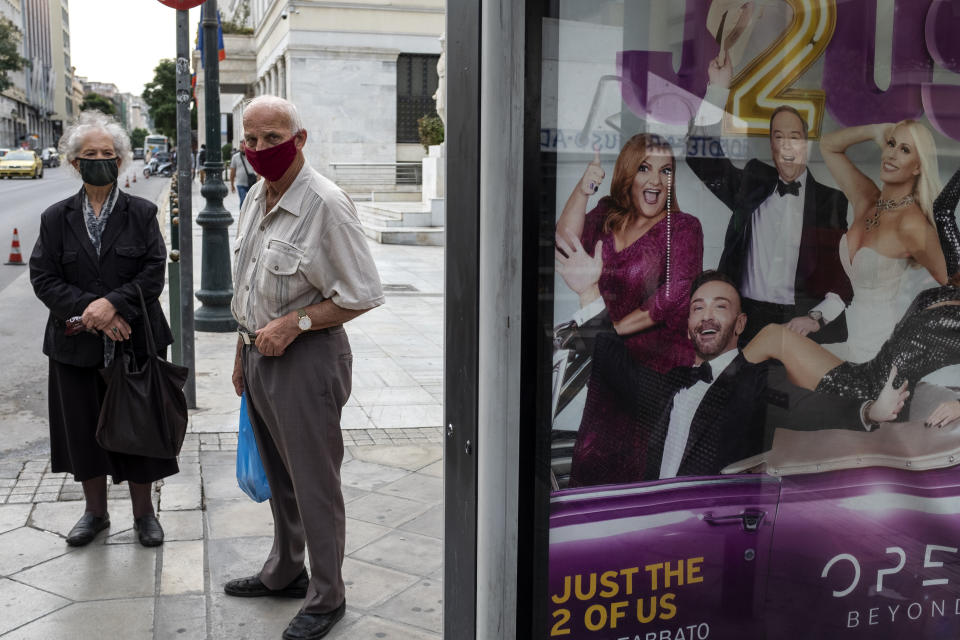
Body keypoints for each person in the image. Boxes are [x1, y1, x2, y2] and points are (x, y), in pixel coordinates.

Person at [224, 95, 384, 640]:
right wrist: (241, 351)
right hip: (259, 355)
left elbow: (362, 293)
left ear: (301, 138)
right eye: (252, 139)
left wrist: (296, 324)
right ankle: (286, 570)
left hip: (307, 360)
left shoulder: (326, 204)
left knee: (314, 483)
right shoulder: (252, 196)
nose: (262, 149)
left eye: (274, 137)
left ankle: (327, 595)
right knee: (280, 477)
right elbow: (248, 282)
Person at [566, 271, 905, 484]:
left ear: (741, 324)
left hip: (715, 537)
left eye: (720, 306)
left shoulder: (756, 382)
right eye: (698, 308)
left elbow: (809, 406)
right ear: (688, 327)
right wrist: (588, 293)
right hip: (658, 527)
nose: (706, 315)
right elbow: (618, 368)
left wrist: (868, 410)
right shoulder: (673, 381)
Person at [28, 110, 175, 547]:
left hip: (137, 338)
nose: (99, 159)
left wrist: (113, 305)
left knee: (140, 427)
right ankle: (94, 513)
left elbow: (152, 272)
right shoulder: (56, 217)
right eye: (89, 153)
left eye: (107, 153)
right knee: (82, 429)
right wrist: (91, 312)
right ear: (75, 162)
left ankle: (144, 515)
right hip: (74, 343)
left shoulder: (142, 212)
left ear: (120, 160)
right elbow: (44, 276)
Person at [555, 133, 703, 486]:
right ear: (627, 174)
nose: (656, 180)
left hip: (655, 372)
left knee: (636, 472)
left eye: (666, 171)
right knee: (592, 458)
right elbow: (565, 244)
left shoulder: (682, 227)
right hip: (608, 361)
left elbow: (671, 298)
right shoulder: (608, 214)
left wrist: (604, 328)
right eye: (645, 168)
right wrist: (583, 189)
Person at [688, 52, 853, 345]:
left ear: (808, 144)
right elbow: (701, 157)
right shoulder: (753, 182)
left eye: (795, 136)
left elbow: (841, 281)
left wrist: (815, 319)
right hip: (745, 318)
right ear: (771, 144)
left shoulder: (831, 201)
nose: (787, 145)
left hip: (798, 321)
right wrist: (717, 89)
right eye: (779, 137)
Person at [817, 120, 949, 362]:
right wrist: (874, 131)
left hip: (880, 349)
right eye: (891, 144)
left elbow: (953, 282)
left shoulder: (912, 224)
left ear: (918, 167)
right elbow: (827, 145)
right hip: (850, 337)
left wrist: (922, 332)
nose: (891, 154)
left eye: (905, 150)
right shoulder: (866, 197)